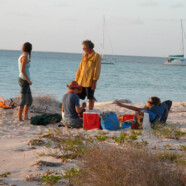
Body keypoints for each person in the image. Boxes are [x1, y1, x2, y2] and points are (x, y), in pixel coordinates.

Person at [75, 40, 101, 110]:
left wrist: (94, 82)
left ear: (88, 48)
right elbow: (80, 68)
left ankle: (90, 112)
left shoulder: (96, 56)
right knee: (76, 96)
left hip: (89, 82)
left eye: (84, 48)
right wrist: (76, 80)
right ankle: (77, 110)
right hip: (81, 81)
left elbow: (97, 69)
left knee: (90, 98)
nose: (83, 49)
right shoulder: (84, 56)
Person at [18, 42, 33, 121]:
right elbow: (22, 70)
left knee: (29, 100)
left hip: (25, 81)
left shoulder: (25, 56)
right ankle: (20, 118)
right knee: (23, 100)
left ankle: (26, 116)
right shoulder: (24, 57)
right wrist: (28, 80)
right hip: (24, 80)